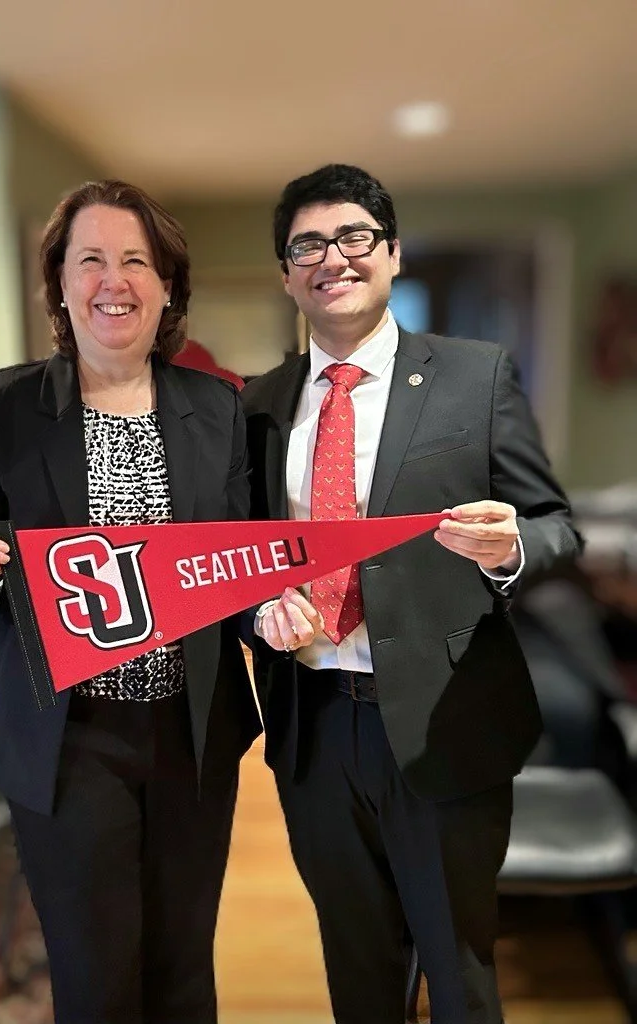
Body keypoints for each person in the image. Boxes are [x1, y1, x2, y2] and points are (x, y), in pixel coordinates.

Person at [241, 164, 582, 1024]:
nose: (333, 258)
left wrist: (511, 548)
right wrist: (258, 614)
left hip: (446, 720)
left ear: (390, 252)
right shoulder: (256, 404)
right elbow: (244, 564)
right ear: (287, 273)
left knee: (458, 969)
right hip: (313, 726)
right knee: (357, 966)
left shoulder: (478, 375)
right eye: (307, 244)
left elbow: (556, 526)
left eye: (354, 236)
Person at [0, 180, 261, 1024]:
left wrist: (276, 609)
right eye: (91, 260)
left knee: (186, 965)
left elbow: (239, 566)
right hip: (68, 739)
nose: (113, 279)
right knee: (95, 976)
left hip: (192, 734)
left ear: (167, 287)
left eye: (135, 261)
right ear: (60, 285)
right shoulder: (2, 406)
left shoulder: (219, 408)